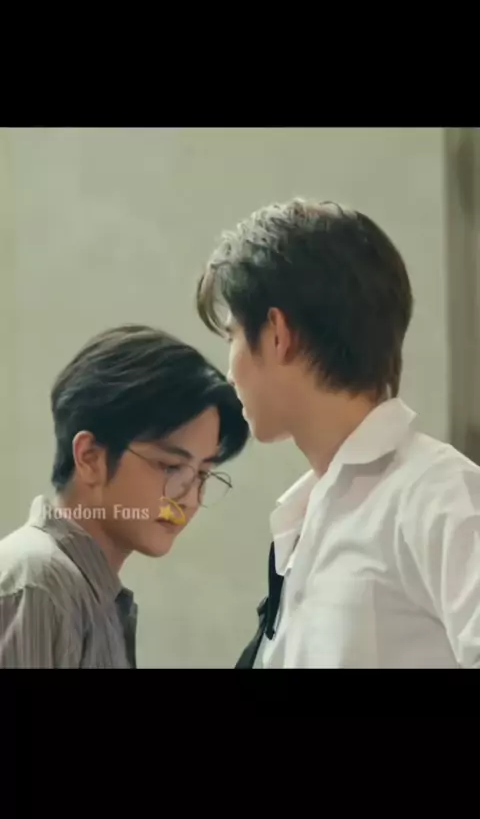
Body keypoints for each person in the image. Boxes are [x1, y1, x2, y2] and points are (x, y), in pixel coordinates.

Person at [196, 198, 480, 669]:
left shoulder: (438, 495)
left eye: (232, 337)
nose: (229, 372)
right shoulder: (308, 515)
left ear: (277, 333)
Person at [0, 324, 249, 668]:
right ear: (90, 457)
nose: (189, 499)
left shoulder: (88, 593)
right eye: (170, 467)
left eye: (203, 474)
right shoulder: (40, 586)